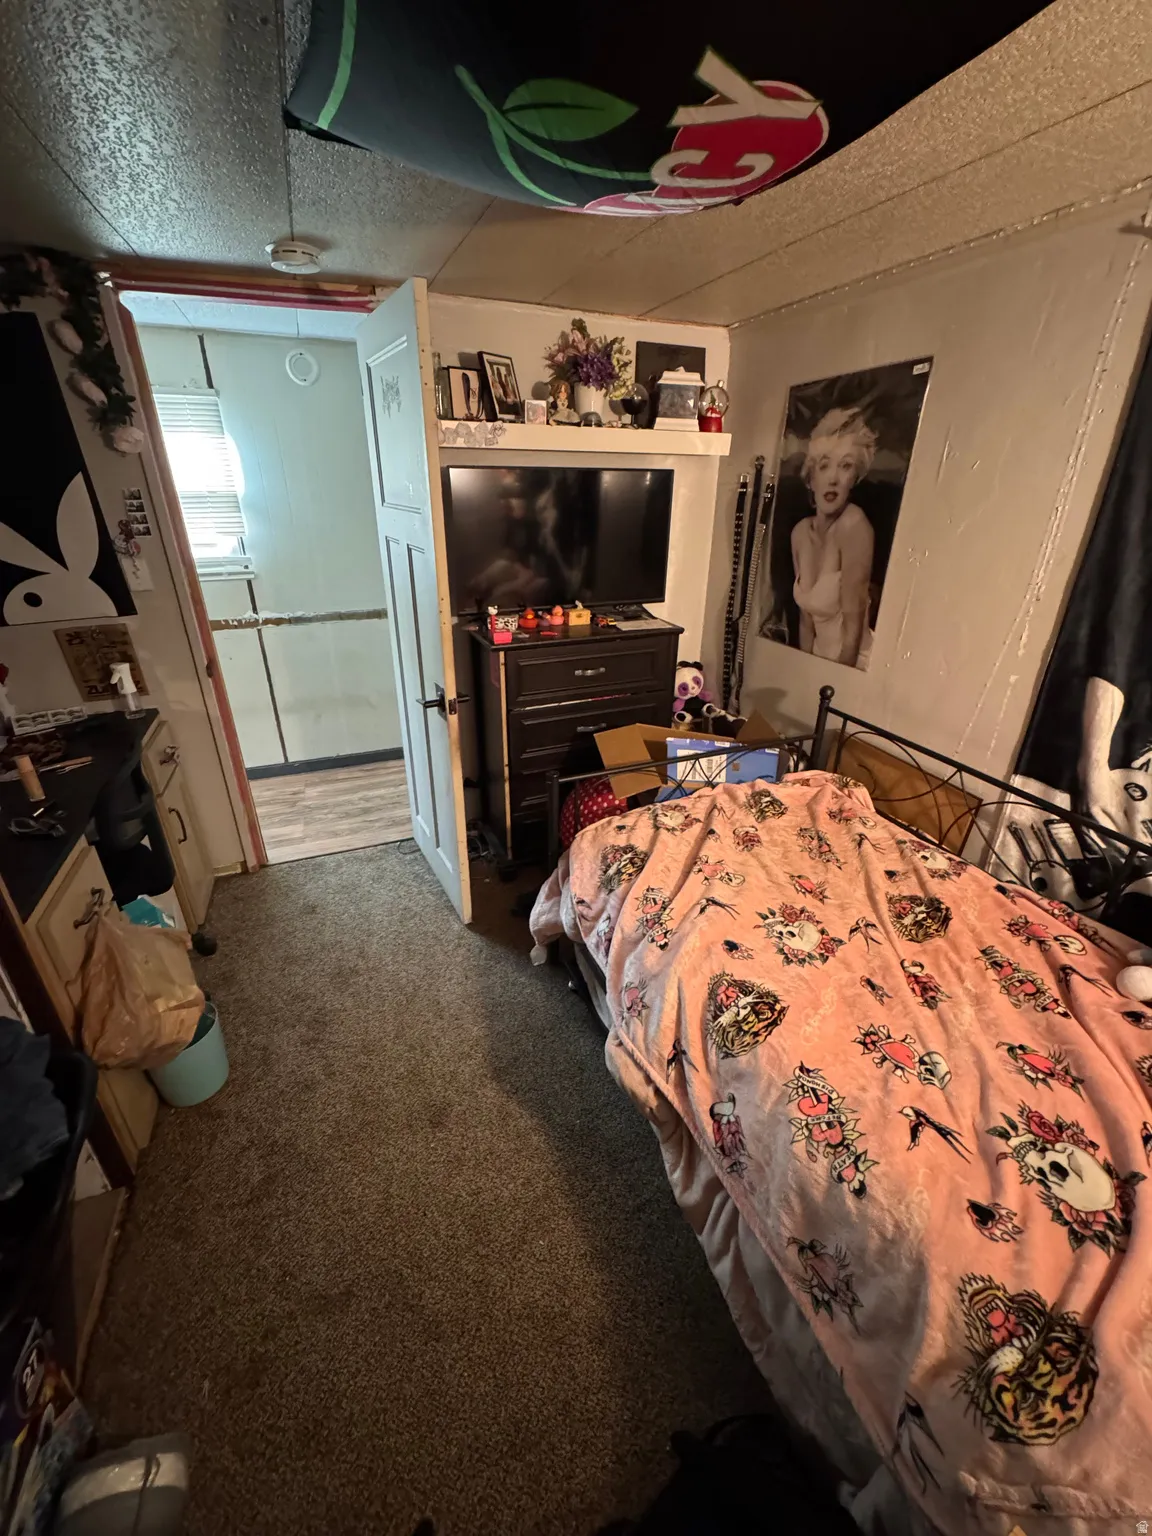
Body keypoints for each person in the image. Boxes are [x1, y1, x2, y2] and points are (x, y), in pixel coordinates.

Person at [790, 407, 876, 668]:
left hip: (852, 664)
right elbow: (806, 622)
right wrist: (803, 670)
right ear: (811, 478)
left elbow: (853, 629)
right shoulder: (800, 533)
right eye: (825, 466)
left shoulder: (854, 525)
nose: (834, 479)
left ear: (854, 477)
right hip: (819, 658)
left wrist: (836, 680)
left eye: (846, 466)